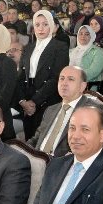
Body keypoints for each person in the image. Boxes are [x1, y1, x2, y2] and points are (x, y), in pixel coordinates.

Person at [17, 10, 68, 138]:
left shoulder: (60, 47)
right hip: (27, 97)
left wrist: (34, 101)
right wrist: (23, 101)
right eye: (37, 25)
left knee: (43, 139)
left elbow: (56, 77)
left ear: (52, 26)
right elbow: (20, 77)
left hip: (48, 98)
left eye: (45, 24)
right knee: (29, 139)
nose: (41, 28)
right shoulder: (28, 48)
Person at [30, 66, 101, 157]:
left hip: (63, 162)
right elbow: (36, 139)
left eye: (71, 79)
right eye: (62, 78)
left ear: (82, 86)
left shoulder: (92, 110)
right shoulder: (50, 109)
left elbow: (91, 146)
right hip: (37, 158)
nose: (64, 83)